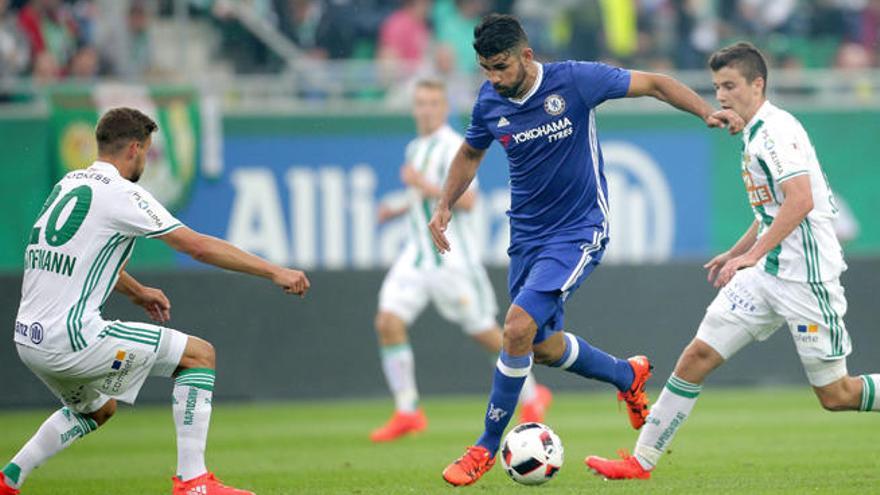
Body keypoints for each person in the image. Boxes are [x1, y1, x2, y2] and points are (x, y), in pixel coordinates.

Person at [427, 14, 743, 486]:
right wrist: (444, 203)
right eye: (485, 69)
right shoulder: (490, 100)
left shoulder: (574, 80)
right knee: (543, 348)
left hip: (578, 229)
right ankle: (626, 375)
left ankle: (484, 448)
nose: (493, 78)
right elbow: (471, 153)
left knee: (515, 328)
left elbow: (655, 83)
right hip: (527, 237)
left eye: (500, 67)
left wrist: (705, 112)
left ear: (526, 56)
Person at [586, 41, 873, 480]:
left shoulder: (776, 131)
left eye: (730, 86)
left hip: (806, 278)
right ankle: (640, 461)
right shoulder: (754, 132)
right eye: (717, 87)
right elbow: (771, 211)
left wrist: (751, 256)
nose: (721, 95)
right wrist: (740, 253)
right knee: (697, 355)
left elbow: (799, 201)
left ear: (758, 84)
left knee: (837, 394)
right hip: (766, 273)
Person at [1, 107, 310, 495]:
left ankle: (8, 479)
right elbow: (197, 247)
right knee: (198, 355)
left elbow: (77, 259)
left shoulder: (68, 184)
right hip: (72, 338)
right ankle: (193, 482)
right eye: (146, 152)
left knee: (97, 409)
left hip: (28, 339)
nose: (145, 161)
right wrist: (275, 271)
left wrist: (139, 292)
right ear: (134, 148)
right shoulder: (123, 194)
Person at [371, 79, 552, 443]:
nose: (426, 109)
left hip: (453, 259)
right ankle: (408, 410)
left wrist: (421, 184)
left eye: (433, 103)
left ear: (444, 108)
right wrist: (396, 208)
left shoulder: (454, 146)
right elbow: (421, 198)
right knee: (387, 321)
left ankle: (533, 395)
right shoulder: (414, 148)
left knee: (485, 331)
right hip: (416, 257)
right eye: (420, 103)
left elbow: (467, 202)